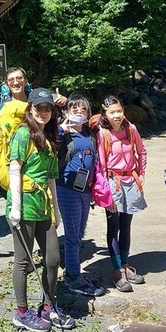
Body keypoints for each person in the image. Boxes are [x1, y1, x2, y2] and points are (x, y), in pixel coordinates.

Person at [6, 87, 75, 332]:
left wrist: (56, 210)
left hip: (43, 205)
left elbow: (52, 178)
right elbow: (15, 170)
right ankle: (22, 313)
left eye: (47, 109)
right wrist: (15, 208)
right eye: (38, 108)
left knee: (53, 258)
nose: (43, 112)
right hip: (24, 204)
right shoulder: (23, 134)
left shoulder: (50, 137)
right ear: (30, 109)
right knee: (23, 260)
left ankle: (48, 307)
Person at [94, 96, 147, 292]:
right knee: (113, 225)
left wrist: (141, 175)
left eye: (119, 111)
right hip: (112, 183)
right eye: (112, 112)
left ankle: (125, 265)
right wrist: (105, 192)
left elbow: (142, 151)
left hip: (130, 180)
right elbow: (100, 165)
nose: (117, 115)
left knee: (126, 225)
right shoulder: (103, 134)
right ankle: (118, 271)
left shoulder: (131, 129)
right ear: (105, 114)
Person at [55, 94, 107, 297]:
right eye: (74, 108)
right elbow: (44, 136)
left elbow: (106, 117)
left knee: (79, 234)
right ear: (67, 111)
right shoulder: (60, 132)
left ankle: (73, 272)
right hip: (66, 189)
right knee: (72, 235)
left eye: (83, 109)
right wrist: (61, 128)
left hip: (85, 190)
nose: (79, 111)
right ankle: (73, 277)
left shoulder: (89, 132)